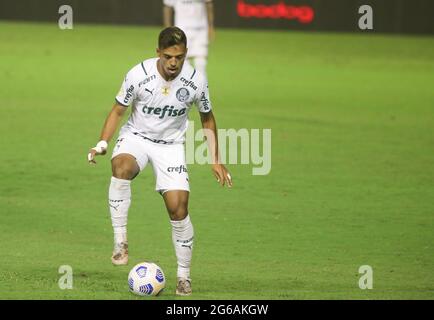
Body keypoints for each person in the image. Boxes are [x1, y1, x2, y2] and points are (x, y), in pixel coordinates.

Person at [87, 27, 232, 296]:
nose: (173, 62)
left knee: (178, 209)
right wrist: (103, 142)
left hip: (171, 146)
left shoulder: (195, 81)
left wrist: (216, 159)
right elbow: (118, 109)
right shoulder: (138, 75)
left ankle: (183, 277)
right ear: (158, 53)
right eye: (167, 56)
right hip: (137, 138)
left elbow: (207, 117)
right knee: (121, 168)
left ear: (185, 54)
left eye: (178, 56)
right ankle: (120, 241)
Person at [163, 0, 215, 79]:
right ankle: (187, 88)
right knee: (184, 63)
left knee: (201, 63)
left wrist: (210, 26)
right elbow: (167, 7)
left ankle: (202, 90)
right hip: (181, 31)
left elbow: (209, 4)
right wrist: (168, 29)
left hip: (200, 30)